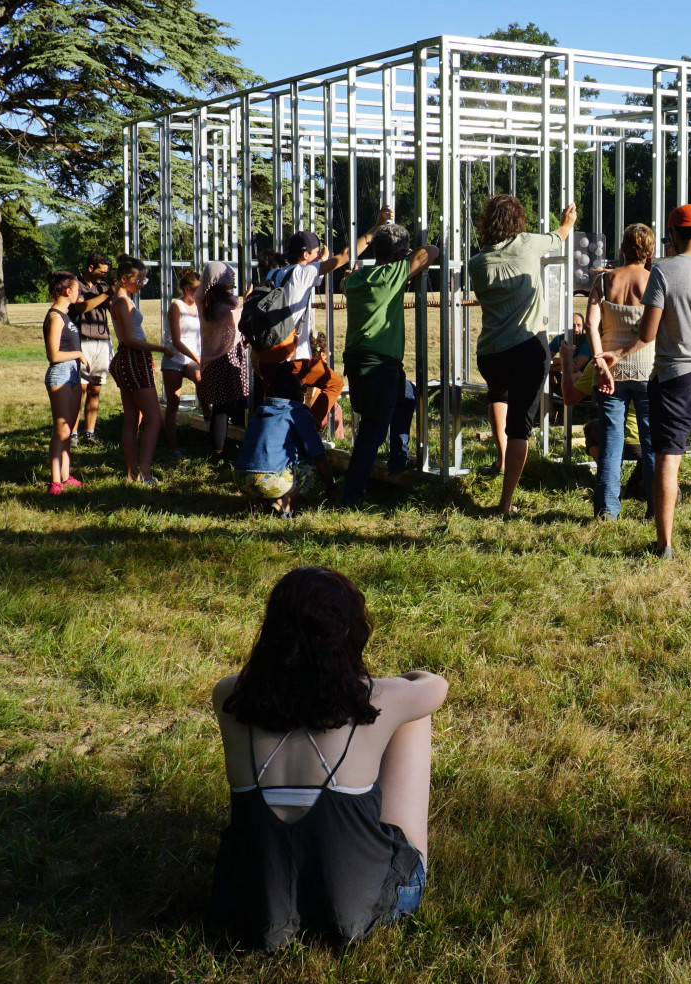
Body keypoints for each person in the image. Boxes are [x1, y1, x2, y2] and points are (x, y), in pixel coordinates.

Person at [211, 567, 448, 950]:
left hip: (252, 912)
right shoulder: (378, 699)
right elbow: (436, 686)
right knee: (413, 716)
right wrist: (399, 682)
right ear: (348, 633)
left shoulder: (229, 696)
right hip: (356, 915)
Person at [605, 205, 691, 558]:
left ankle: (664, 544)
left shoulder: (663, 270)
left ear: (673, 236)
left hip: (674, 379)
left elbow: (647, 333)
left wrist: (617, 353)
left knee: (669, 459)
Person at [468, 193, 578, 517]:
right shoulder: (528, 243)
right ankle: (505, 504)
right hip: (528, 348)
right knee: (520, 427)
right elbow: (558, 239)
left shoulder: (477, 263)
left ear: (486, 223)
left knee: (497, 394)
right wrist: (567, 221)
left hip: (490, 353)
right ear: (518, 221)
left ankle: (501, 460)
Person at [339, 215, 440, 505]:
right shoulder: (393, 274)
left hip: (362, 361)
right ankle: (353, 497)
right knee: (372, 431)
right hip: (378, 363)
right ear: (397, 256)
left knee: (406, 395)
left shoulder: (355, 279)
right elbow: (431, 252)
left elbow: (347, 275)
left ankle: (398, 457)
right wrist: (409, 257)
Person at [257, 214, 392, 429]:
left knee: (279, 405)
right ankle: (310, 430)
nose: (319, 254)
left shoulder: (275, 273)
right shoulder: (304, 273)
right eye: (315, 251)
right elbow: (346, 255)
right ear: (305, 254)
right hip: (294, 358)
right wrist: (376, 227)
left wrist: (318, 260)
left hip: (269, 355)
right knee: (333, 383)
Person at [587, 222, 656, 520]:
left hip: (608, 374)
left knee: (610, 443)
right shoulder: (655, 281)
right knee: (653, 443)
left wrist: (600, 361)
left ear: (622, 248)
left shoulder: (603, 282)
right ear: (650, 251)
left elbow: (590, 324)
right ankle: (656, 508)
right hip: (648, 372)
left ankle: (607, 511)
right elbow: (654, 331)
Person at [106, 256, 175, 485]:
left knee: (132, 418)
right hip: (133, 359)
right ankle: (143, 472)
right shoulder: (122, 302)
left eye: (145, 281)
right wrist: (161, 348)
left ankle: (133, 472)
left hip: (130, 360)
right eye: (139, 281)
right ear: (125, 279)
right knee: (154, 419)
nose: (142, 285)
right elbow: (129, 339)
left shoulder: (121, 299)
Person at [233, 365, 336, 517]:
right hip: (269, 481)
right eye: (303, 389)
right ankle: (284, 502)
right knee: (312, 470)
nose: (304, 393)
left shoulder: (261, 410)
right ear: (294, 392)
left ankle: (259, 501)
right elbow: (318, 454)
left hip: (241, 478)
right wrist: (330, 486)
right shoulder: (297, 412)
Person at [195, 261, 250, 464]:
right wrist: (249, 301)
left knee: (221, 408)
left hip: (212, 361)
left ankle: (220, 450)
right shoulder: (224, 307)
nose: (233, 279)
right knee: (228, 407)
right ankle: (222, 453)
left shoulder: (205, 301)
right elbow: (238, 323)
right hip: (226, 360)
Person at [41, 271, 85, 495]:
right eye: (77, 289)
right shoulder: (56, 317)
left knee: (68, 429)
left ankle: (66, 477)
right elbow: (53, 355)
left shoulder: (67, 315)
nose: (79, 292)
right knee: (60, 430)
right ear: (68, 291)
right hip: (60, 374)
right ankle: (55, 482)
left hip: (73, 375)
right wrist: (78, 353)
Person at [69, 252, 114, 446]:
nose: (104, 276)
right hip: (81, 341)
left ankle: (90, 432)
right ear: (90, 268)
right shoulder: (75, 285)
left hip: (102, 341)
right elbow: (81, 308)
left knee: (95, 389)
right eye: (102, 272)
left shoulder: (103, 287)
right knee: (80, 390)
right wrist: (107, 294)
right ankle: (72, 434)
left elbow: (114, 309)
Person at [161, 268, 203, 458]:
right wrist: (196, 357)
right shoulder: (176, 307)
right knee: (173, 402)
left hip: (191, 359)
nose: (201, 293)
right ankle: (173, 445)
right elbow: (177, 341)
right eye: (197, 290)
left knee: (200, 378)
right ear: (187, 289)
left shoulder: (200, 307)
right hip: (174, 358)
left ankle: (208, 416)